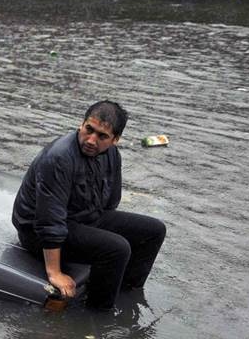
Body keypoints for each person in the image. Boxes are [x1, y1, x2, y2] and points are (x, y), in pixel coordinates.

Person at [12, 101, 166, 311]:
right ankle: (98, 315)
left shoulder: (112, 155)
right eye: (88, 130)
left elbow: (111, 202)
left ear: (115, 140)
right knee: (117, 249)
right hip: (37, 233)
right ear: (81, 124)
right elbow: (49, 221)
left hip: (81, 217)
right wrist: (54, 273)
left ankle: (125, 293)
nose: (91, 140)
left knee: (154, 230)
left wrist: (97, 236)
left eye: (102, 136)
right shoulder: (59, 158)